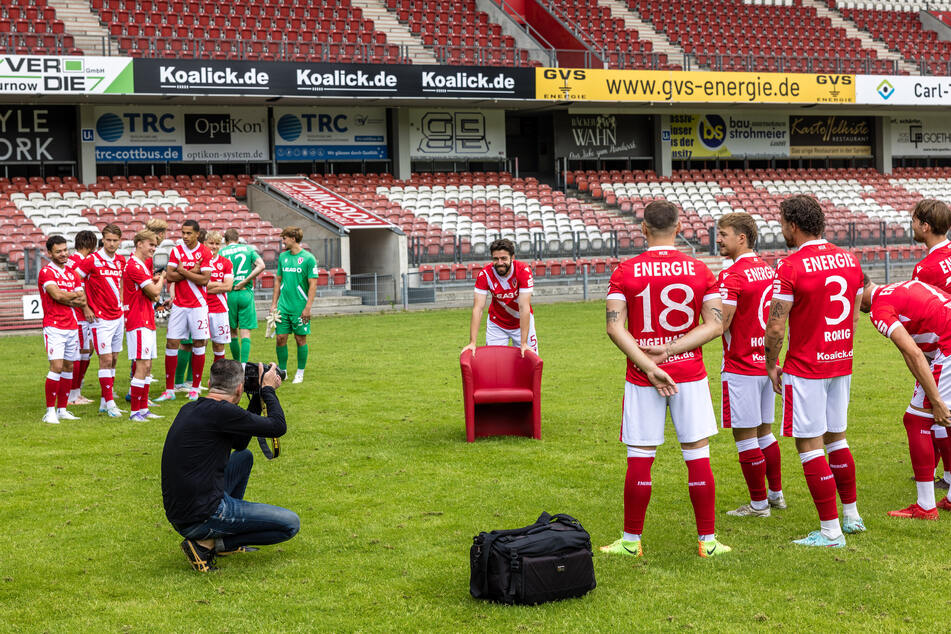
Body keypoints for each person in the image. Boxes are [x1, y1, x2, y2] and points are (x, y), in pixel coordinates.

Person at [601, 200, 730, 558]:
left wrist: (649, 364)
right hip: (689, 371)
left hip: (642, 376)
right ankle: (707, 541)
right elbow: (716, 324)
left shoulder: (625, 270)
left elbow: (614, 327)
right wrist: (671, 352)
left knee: (640, 455)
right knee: (697, 453)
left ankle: (631, 542)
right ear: (678, 228)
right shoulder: (701, 270)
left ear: (643, 229)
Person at [765, 194, 865, 548]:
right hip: (841, 360)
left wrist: (771, 363)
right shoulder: (849, 259)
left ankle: (830, 531)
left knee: (810, 444)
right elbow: (854, 312)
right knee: (837, 436)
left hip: (807, 366)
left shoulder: (790, 266)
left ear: (792, 225)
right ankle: (851, 516)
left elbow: (776, 327)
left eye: (782, 224)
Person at [161, 360, 299, 572]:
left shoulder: (191, 408)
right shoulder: (223, 413)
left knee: (243, 457)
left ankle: (214, 535)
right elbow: (277, 426)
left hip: (182, 512)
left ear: (209, 383)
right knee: (290, 523)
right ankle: (211, 543)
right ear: (239, 388)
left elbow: (240, 442)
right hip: (203, 514)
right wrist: (268, 390)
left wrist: (257, 396)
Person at [861, 275, 951, 519]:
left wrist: (936, 401)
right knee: (938, 419)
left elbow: (911, 352)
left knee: (917, 420)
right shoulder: (895, 287)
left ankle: (925, 506)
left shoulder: (879, 310)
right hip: (942, 344)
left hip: (947, 346)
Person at [715, 213, 786, 516]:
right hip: (767, 362)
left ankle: (758, 505)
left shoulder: (733, 276)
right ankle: (776, 495)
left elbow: (721, 323)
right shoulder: (768, 271)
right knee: (765, 432)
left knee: (744, 436)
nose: (718, 239)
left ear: (741, 238)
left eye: (723, 234)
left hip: (740, 364)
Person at [909, 199, 951, 492]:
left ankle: (946, 479)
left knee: (928, 415)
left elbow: (922, 316)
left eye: (914, 221)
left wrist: (921, 355)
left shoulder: (926, 268)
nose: (911, 225)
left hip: (942, 349)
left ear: (925, 226)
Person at [155, 220, 212, 403]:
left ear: (197, 234)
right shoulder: (177, 250)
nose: (185, 236)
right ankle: (169, 389)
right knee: (172, 343)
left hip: (198, 304)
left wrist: (183, 271)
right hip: (179, 305)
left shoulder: (204, 251)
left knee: (198, 344)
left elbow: (204, 280)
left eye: (189, 233)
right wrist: (190, 271)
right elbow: (170, 276)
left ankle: (195, 388)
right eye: (183, 233)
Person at [75, 224, 126, 417]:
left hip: (117, 316)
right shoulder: (92, 260)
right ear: (102, 240)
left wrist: (121, 305)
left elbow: (120, 284)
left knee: (113, 359)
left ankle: (105, 401)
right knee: (104, 359)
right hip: (100, 318)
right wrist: (85, 306)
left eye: (115, 240)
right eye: (109, 240)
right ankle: (110, 403)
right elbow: (76, 280)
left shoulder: (121, 261)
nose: (112, 244)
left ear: (120, 241)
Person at [39, 235, 88, 424]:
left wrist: (68, 297)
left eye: (65, 250)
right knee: (56, 366)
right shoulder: (47, 272)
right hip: (54, 326)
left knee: (69, 367)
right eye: (58, 251)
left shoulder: (72, 273)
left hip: (72, 325)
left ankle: (62, 409)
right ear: (50, 253)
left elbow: (83, 300)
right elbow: (56, 295)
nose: (63, 254)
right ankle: (50, 411)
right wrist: (71, 296)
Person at [462, 238, 537, 357]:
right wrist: (472, 342)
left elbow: (524, 307)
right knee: (495, 364)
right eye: (496, 259)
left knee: (529, 361)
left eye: (504, 258)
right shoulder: (485, 274)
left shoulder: (523, 271)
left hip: (521, 323)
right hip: (497, 324)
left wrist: (523, 343)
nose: (500, 262)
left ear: (512, 258)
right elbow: (478, 308)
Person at [123, 230, 167, 421]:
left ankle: (143, 409)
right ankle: (135, 412)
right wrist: (162, 279)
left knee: (147, 365)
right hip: (138, 319)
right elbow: (154, 292)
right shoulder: (134, 265)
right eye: (151, 244)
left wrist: (155, 287)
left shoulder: (141, 265)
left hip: (146, 318)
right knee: (141, 365)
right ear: (139, 243)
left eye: (155, 245)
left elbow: (153, 294)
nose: (153, 249)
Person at [270, 227, 318, 384]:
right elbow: (278, 280)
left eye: (284, 238)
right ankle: (282, 372)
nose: (283, 241)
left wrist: (308, 307)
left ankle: (300, 372)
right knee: (280, 338)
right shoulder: (283, 257)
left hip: (300, 307)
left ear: (293, 238)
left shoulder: (309, 258)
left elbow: (313, 284)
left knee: (300, 339)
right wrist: (274, 304)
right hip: (283, 306)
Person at [220, 228, 265, 364]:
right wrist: (246, 280)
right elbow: (261, 265)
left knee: (233, 332)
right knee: (245, 333)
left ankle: (237, 364)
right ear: (238, 239)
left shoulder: (221, 252)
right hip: (245, 291)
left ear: (225, 241)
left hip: (229, 294)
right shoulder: (248, 249)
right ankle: (245, 365)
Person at [65, 230, 97, 405]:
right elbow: (78, 289)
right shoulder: (80, 262)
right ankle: (72, 395)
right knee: (79, 353)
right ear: (90, 244)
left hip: (78, 314)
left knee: (86, 351)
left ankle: (76, 391)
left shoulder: (71, 260)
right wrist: (85, 308)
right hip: (78, 314)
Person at [204, 231, 234, 366]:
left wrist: (207, 286)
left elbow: (228, 287)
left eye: (217, 244)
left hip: (219, 309)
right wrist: (218, 284)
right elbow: (199, 285)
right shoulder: (199, 262)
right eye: (211, 243)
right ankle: (192, 381)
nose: (214, 246)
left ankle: (219, 377)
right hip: (201, 308)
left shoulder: (226, 263)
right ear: (205, 243)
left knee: (219, 346)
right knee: (199, 345)